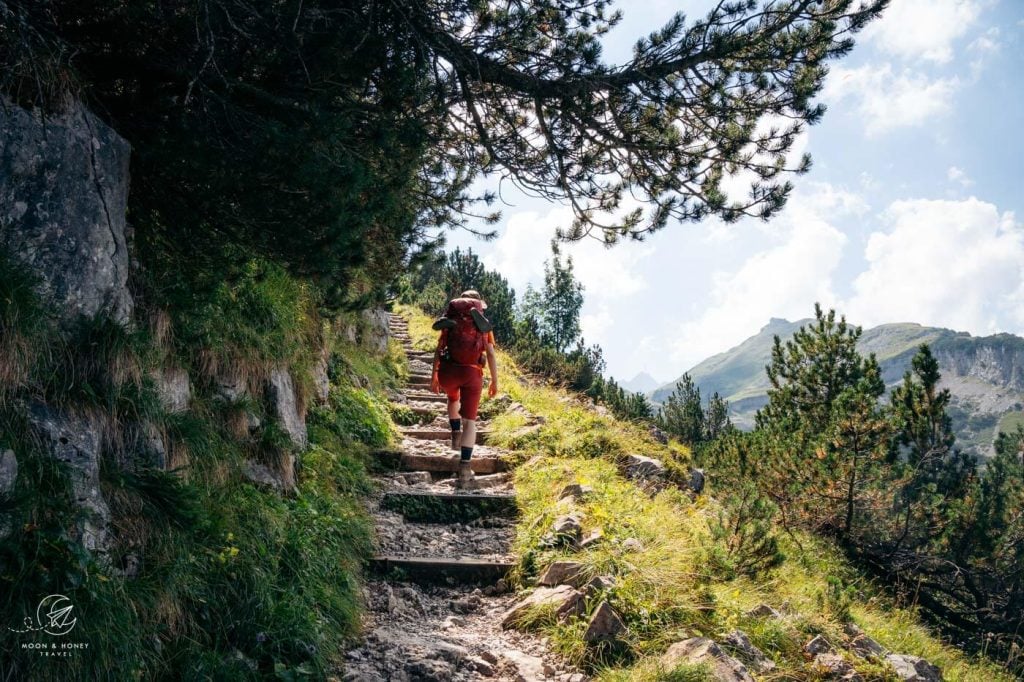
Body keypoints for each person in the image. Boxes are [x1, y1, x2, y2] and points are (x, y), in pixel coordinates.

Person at [430, 290, 499, 489]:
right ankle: (465, 467)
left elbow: (439, 348)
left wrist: (433, 375)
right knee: (470, 421)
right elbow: (491, 355)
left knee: (452, 398)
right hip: (472, 372)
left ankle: (454, 437)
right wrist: (494, 381)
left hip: (448, 371)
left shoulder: (451, 322)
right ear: (478, 306)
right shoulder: (482, 327)